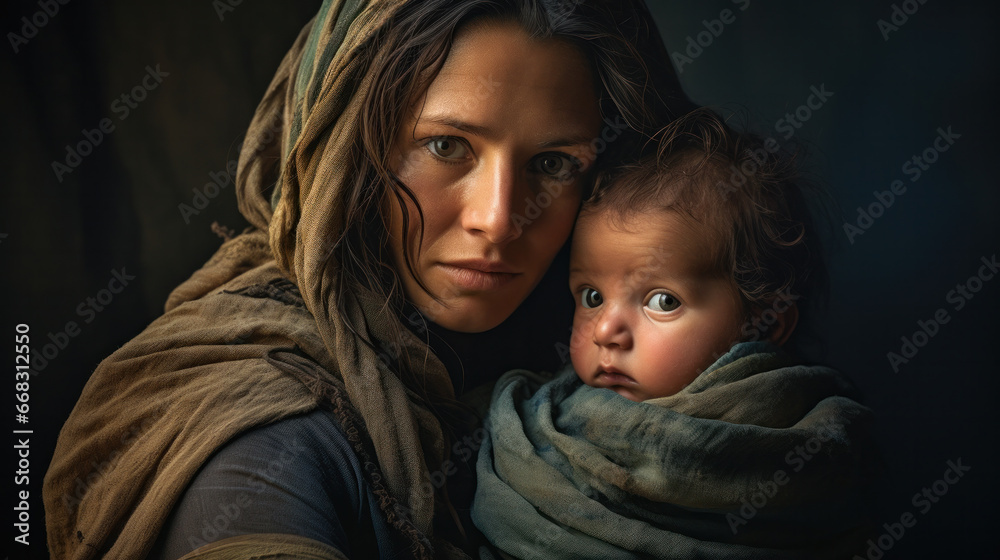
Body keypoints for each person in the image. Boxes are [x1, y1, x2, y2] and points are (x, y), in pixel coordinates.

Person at [42, 0, 695, 558]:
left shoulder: (635, 364)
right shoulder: (258, 437)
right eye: (446, 146)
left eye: (554, 163)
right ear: (346, 152)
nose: (497, 219)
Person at [472, 109, 880, 559]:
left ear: (765, 324)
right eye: (591, 296)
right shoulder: (540, 427)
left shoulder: (801, 458)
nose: (607, 331)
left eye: (662, 301)